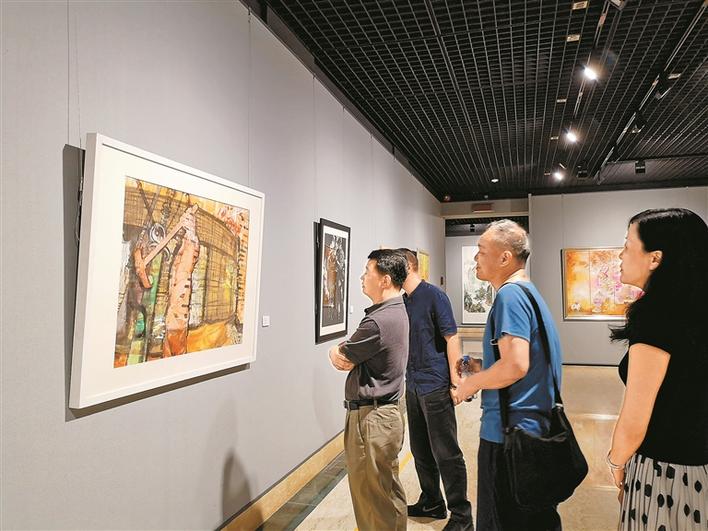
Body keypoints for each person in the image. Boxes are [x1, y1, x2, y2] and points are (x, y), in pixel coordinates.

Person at [452, 220, 563, 531]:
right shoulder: (528, 293)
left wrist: (469, 384)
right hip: (532, 431)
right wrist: (482, 366)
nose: (476, 258)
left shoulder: (509, 297)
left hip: (509, 437)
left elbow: (515, 366)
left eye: (481, 251)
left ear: (504, 258)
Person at [606, 208, 708, 530]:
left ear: (655, 258)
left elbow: (635, 419)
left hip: (666, 472)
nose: (621, 255)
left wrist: (616, 462)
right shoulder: (696, 312)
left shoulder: (656, 317)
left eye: (627, 245)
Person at [328, 249, 410, 531]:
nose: (362, 277)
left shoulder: (378, 321)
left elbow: (343, 357)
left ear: (385, 280)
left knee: (372, 499)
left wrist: (332, 350)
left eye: (367, 271)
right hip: (385, 414)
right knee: (386, 493)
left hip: (372, 419)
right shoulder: (397, 310)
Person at [397, 248, 474, 531]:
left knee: (447, 453)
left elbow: (452, 338)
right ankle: (431, 501)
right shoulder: (403, 300)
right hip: (414, 385)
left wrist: (456, 382)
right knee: (420, 449)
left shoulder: (434, 296)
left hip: (436, 385)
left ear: (407, 266)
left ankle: (462, 516)